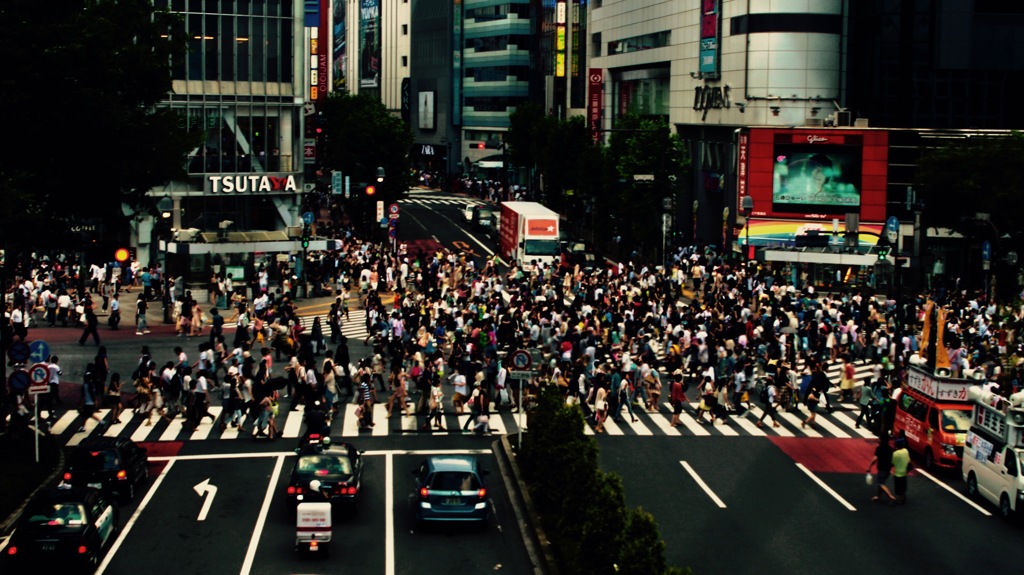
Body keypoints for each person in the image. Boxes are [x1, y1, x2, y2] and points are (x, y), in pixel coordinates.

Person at [867, 436, 897, 504]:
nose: (878, 440)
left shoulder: (879, 448)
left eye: (879, 439)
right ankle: (878, 497)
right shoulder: (890, 449)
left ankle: (890, 496)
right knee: (881, 482)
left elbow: (875, 459)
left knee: (880, 483)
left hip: (882, 468)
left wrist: (869, 467)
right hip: (888, 469)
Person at [892, 437, 911, 504]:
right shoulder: (906, 451)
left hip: (897, 473)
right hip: (904, 473)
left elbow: (892, 462)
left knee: (898, 487)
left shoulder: (895, 454)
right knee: (903, 486)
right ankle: (903, 497)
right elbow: (909, 461)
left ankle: (901, 498)